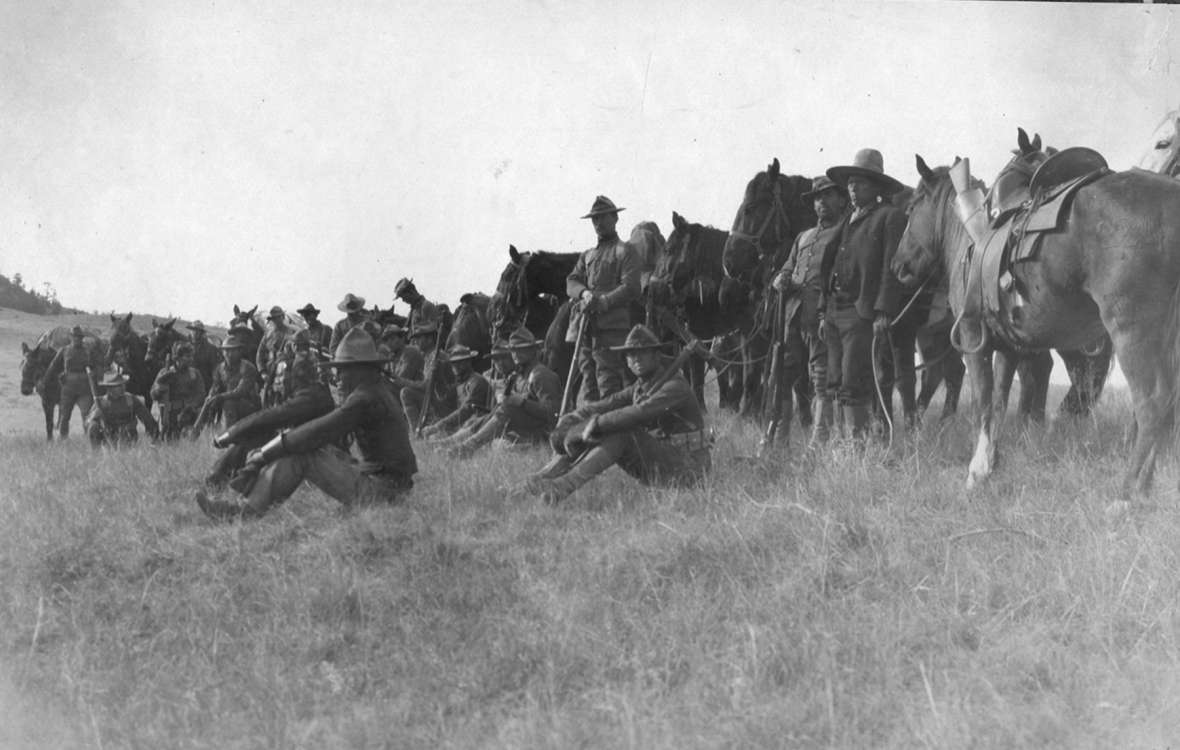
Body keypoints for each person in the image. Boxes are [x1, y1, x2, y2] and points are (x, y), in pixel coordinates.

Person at [195, 327, 418, 520]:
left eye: (342, 370)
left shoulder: (364, 398)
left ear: (359, 369)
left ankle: (243, 513)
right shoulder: (377, 389)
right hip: (389, 485)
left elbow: (317, 431)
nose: (338, 377)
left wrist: (263, 454)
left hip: (385, 492)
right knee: (301, 444)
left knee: (302, 454)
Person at [519, 324, 711, 505]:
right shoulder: (641, 386)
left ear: (656, 355)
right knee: (601, 426)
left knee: (620, 432)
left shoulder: (674, 386)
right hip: (664, 462)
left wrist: (591, 426)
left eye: (643, 353)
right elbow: (607, 404)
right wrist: (574, 418)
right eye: (630, 354)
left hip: (689, 469)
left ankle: (562, 487)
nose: (636, 359)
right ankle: (541, 479)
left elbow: (637, 413)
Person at [819, 148, 907, 440]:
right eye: (851, 183)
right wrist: (823, 310)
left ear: (877, 187)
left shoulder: (890, 218)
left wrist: (883, 311)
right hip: (835, 310)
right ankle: (839, 444)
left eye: (862, 183)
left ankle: (857, 445)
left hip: (861, 312)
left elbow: (890, 268)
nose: (854, 189)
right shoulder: (847, 220)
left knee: (853, 378)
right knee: (834, 378)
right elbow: (829, 263)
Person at [771, 175, 850, 448]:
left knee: (822, 380)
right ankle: (777, 441)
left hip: (822, 317)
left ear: (841, 199)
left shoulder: (846, 232)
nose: (822, 202)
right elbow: (787, 268)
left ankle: (819, 442)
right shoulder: (803, 237)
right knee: (782, 378)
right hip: (793, 316)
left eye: (828, 195)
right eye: (817, 198)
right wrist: (780, 279)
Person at [202, 332, 335, 490]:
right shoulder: (308, 387)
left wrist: (233, 432)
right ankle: (216, 480)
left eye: (298, 375)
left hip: (308, 447)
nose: (291, 379)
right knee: (249, 442)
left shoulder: (311, 396)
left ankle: (242, 483)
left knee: (264, 449)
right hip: (291, 434)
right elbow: (274, 410)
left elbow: (275, 415)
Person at [567, 195, 643, 404]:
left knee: (609, 382)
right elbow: (572, 281)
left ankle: (612, 430)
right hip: (586, 329)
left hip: (612, 329)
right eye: (594, 219)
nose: (598, 223)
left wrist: (603, 302)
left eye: (603, 217)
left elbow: (631, 287)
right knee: (588, 382)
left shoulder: (625, 251)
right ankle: (592, 429)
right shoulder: (588, 256)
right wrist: (585, 294)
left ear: (615, 219)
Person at [445, 327, 561, 456]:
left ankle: (468, 447)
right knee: (499, 414)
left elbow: (554, 414)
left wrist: (522, 402)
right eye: (513, 350)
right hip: (524, 430)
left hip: (543, 433)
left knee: (508, 408)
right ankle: (459, 442)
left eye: (521, 349)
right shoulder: (519, 377)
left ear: (533, 350)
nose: (516, 354)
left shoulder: (541, 375)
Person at [193, 332, 262, 436]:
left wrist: (220, 397)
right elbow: (215, 386)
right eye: (226, 351)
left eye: (233, 350)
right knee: (209, 401)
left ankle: (228, 438)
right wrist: (212, 396)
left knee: (228, 403)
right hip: (229, 405)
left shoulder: (247, 368)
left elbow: (241, 392)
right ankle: (195, 434)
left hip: (249, 407)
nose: (229, 354)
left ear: (239, 351)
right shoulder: (220, 368)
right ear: (222, 352)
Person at [41, 325, 101, 439]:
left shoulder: (88, 351)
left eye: (79, 337)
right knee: (64, 416)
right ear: (71, 337)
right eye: (75, 337)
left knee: (87, 415)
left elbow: (96, 365)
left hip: (85, 387)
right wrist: (46, 379)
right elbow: (53, 365)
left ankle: (89, 439)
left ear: (82, 338)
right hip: (68, 387)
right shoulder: (64, 350)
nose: (77, 339)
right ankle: (63, 440)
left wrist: (94, 373)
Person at [421, 345, 492, 438]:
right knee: (432, 437)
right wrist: (437, 378)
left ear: (469, 362)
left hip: (475, 426)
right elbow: (443, 399)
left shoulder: (477, 382)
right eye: (453, 363)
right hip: (461, 425)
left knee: (436, 438)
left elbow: (465, 411)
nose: (456, 367)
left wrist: (437, 426)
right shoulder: (460, 382)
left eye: (460, 362)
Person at [397, 321, 456, 429]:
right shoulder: (430, 355)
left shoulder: (436, 356)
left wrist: (403, 382)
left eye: (419, 338)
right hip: (438, 399)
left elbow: (427, 386)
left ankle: (416, 430)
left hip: (445, 404)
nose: (415, 342)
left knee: (406, 393)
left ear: (429, 340)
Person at [85, 368, 158, 447]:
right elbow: (87, 424)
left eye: (123, 384)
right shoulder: (100, 402)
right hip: (107, 439)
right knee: (93, 426)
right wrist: (94, 417)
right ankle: (96, 454)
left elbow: (148, 420)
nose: (123, 387)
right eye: (118, 385)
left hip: (128, 438)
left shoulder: (131, 399)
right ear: (109, 388)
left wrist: (155, 438)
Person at [151, 342, 207, 440]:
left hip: (188, 415)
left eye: (191, 356)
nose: (191, 359)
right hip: (169, 415)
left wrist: (190, 407)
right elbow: (153, 395)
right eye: (187, 356)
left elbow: (201, 394)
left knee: (188, 440)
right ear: (177, 358)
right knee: (167, 440)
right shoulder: (164, 372)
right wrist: (160, 389)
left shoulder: (194, 374)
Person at [256, 306, 293, 405]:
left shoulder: (291, 332)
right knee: (267, 400)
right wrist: (262, 372)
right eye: (274, 318)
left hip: (287, 372)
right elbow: (259, 354)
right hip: (270, 371)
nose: (276, 320)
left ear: (283, 317)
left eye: (278, 317)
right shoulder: (268, 334)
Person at [186, 320, 221, 394]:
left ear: (201, 333)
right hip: (185, 383)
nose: (195, 333)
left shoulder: (210, 349)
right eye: (193, 330)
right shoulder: (184, 346)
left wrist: (213, 387)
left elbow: (215, 369)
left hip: (203, 384)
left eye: (197, 331)